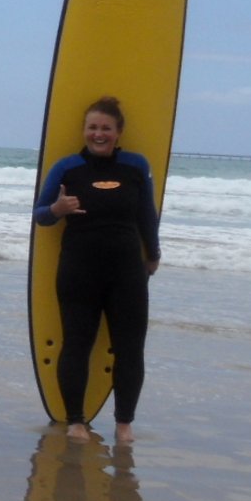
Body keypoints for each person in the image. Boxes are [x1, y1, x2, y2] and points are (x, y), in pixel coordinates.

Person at [33, 96, 159, 444]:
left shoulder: (135, 166)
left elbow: (147, 214)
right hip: (79, 271)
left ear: (118, 132)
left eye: (106, 128)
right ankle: (76, 421)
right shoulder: (67, 167)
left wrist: (154, 253)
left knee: (130, 347)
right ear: (84, 130)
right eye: (92, 127)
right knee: (76, 343)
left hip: (127, 272)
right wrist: (57, 208)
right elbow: (40, 215)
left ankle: (124, 423)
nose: (98, 134)